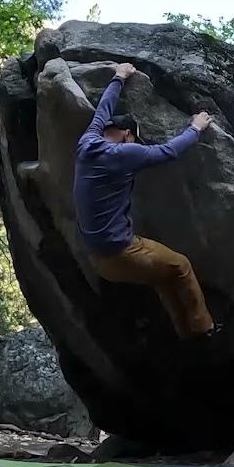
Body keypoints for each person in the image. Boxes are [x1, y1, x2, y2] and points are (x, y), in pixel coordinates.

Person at [73, 62, 221, 340]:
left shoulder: (87, 141)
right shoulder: (122, 153)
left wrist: (119, 77)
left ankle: (186, 335)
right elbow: (168, 152)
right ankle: (205, 329)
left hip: (99, 258)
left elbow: (103, 110)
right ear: (127, 135)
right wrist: (196, 128)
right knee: (181, 266)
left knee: (162, 276)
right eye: (135, 140)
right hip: (121, 253)